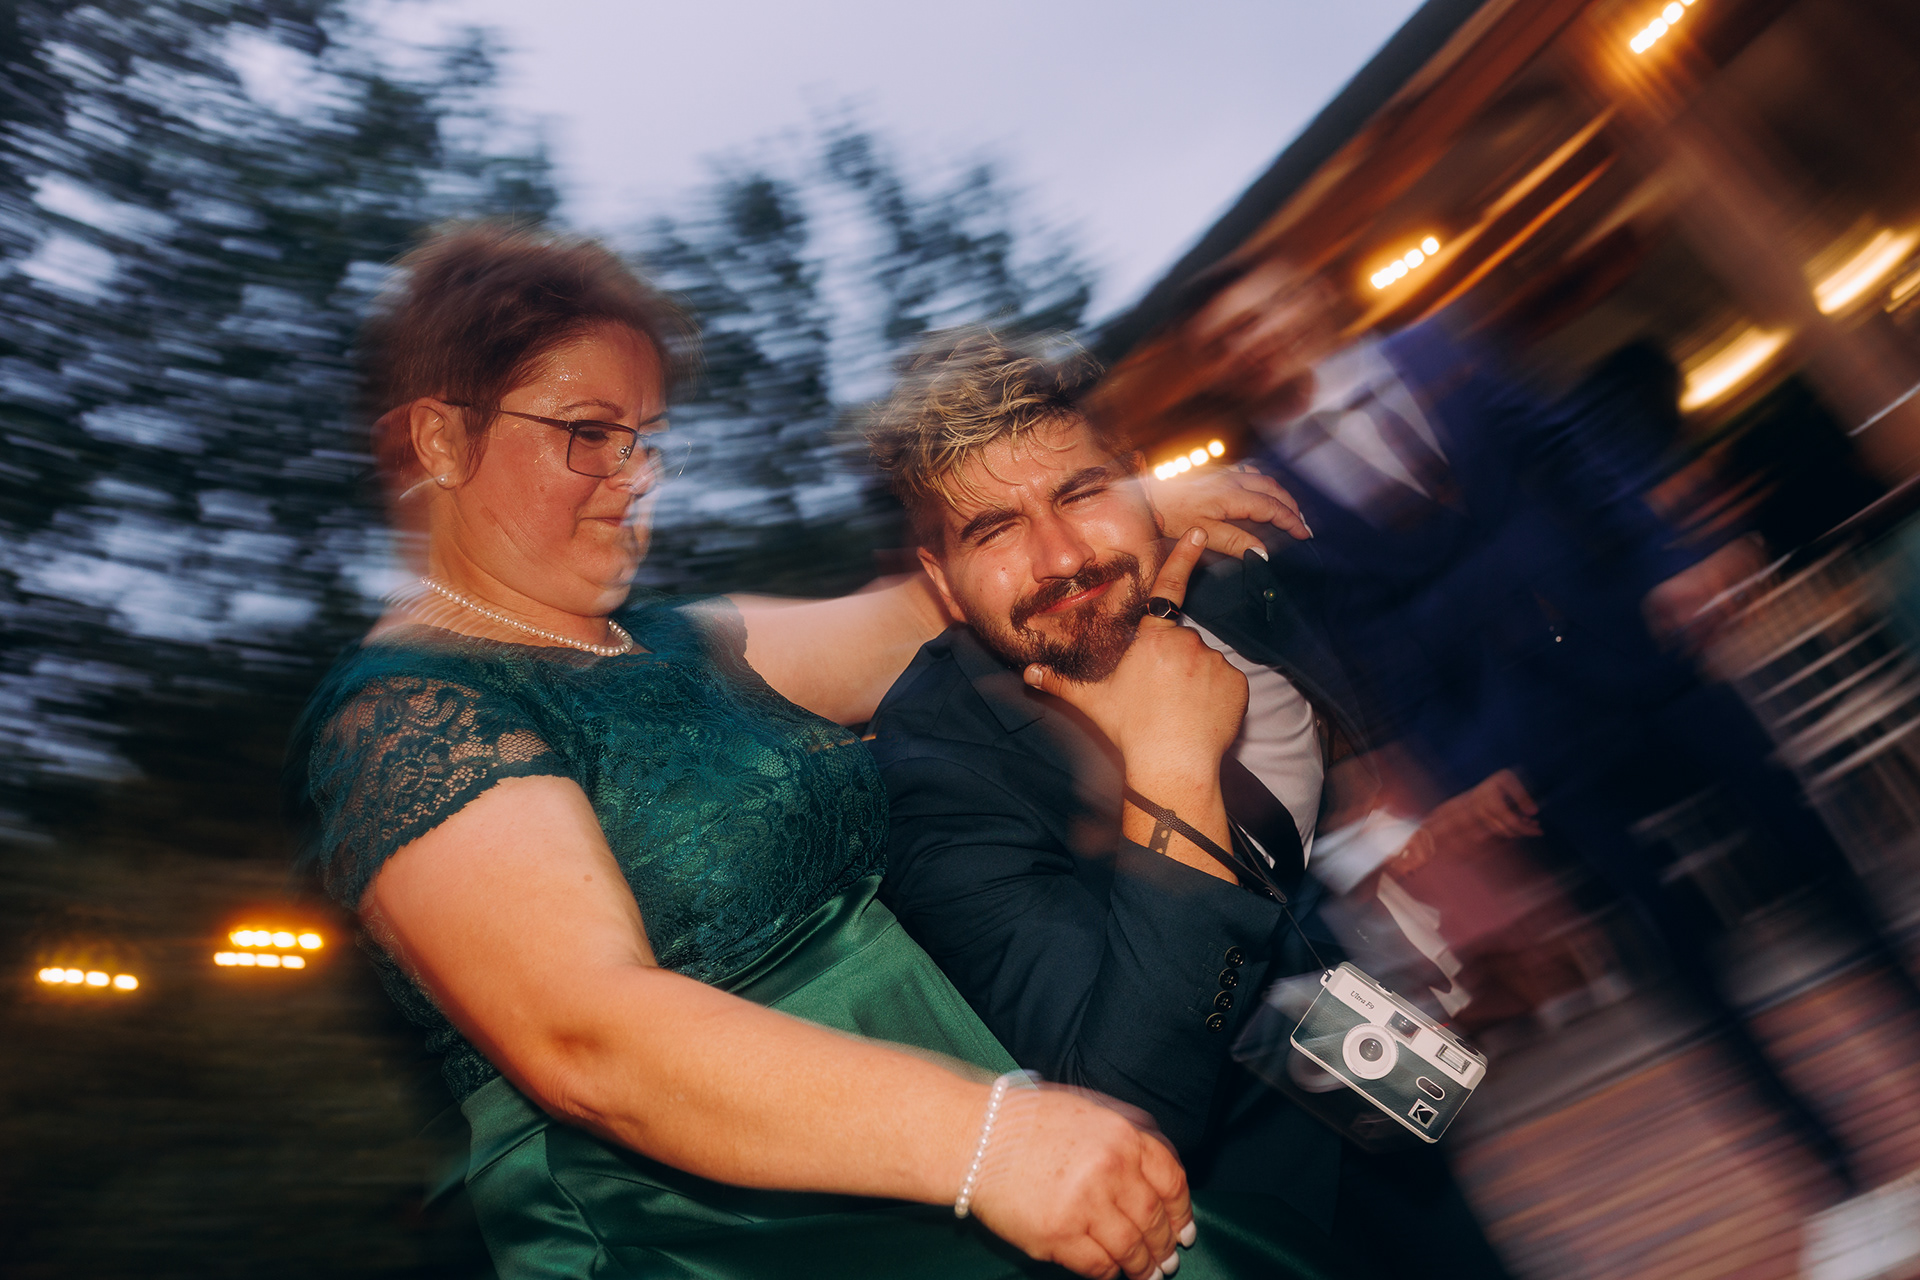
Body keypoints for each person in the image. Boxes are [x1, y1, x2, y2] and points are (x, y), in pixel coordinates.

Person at [284, 224, 1344, 1280]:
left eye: (644, 437)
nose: (635, 472)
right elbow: (586, 1039)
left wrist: (1123, 502)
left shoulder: (675, 641)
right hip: (738, 1229)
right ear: (440, 440)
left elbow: (952, 594)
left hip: (948, 1146)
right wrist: (985, 1138)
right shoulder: (402, 715)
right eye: (589, 432)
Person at [1177, 257, 1905, 1191]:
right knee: (1679, 960)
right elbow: (1365, 650)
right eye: (1228, 338)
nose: (1257, 339)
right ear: (1217, 366)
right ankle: (1836, 1178)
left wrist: (1672, 562)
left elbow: (1580, 454)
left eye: (1267, 308)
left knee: (1824, 876)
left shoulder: (1444, 348)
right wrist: (1463, 767)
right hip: (1526, 750)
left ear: (1310, 297)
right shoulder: (1272, 493)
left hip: (1649, 653)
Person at [862, 331, 1514, 1278]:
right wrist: (1170, 765)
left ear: (1139, 485)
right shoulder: (932, 777)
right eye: (994, 530)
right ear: (939, 581)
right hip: (1229, 1223)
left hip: (1371, 1093)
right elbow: (1123, 1098)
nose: (1061, 556)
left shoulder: (1218, 582)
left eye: (1081, 492)